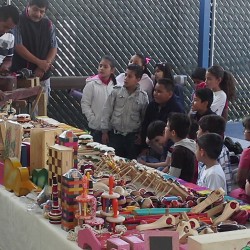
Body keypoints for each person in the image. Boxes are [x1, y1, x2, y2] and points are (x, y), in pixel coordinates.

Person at [11, 0, 57, 100]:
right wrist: (39, 62)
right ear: (28, 6)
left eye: (42, 12)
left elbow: (53, 47)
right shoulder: (18, 21)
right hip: (21, 76)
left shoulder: (48, 24)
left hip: (43, 76)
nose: (38, 14)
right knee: (21, 112)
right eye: (35, 10)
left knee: (41, 111)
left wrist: (43, 66)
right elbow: (18, 46)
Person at [101, 64, 148, 159]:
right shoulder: (116, 92)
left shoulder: (143, 97)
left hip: (132, 137)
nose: (126, 78)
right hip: (115, 136)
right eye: (125, 75)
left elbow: (144, 118)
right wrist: (105, 131)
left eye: (130, 76)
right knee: (112, 161)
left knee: (130, 164)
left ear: (138, 79)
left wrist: (140, 135)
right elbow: (107, 111)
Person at [140, 78, 185, 159]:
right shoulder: (152, 105)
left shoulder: (177, 109)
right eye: (155, 90)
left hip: (169, 149)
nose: (155, 94)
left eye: (159, 92)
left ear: (170, 94)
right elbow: (145, 124)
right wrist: (144, 146)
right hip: (151, 144)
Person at [81, 55, 116, 142]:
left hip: (112, 129)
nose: (101, 68)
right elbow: (85, 104)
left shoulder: (116, 86)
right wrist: (92, 119)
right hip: (96, 128)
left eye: (105, 66)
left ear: (112, 70)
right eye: (100, 66)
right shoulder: (91, 84)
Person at [197, 114, 232, 193]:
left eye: (199, 129)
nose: (197, 132)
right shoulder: (215, 151)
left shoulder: (213, 172)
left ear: (206, 133)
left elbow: (214, 198)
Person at [164, 113, 196, 182]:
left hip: (181, 186)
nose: (165, 128)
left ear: (173, 133)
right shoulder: (190, 143)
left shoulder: (178, 151)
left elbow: (172, 177)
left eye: (167, 126)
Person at [230, 116, 250, 201]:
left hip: (246, 193)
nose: (244, 131)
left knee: (233, 194)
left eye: (245, 129)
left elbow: (240, 180)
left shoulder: (247, 153)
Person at [0, 5, 19, 73]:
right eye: (5, 26)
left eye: (9, 28)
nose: (6, 31)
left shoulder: (10, 36)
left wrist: (5, 66)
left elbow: (8, 59)